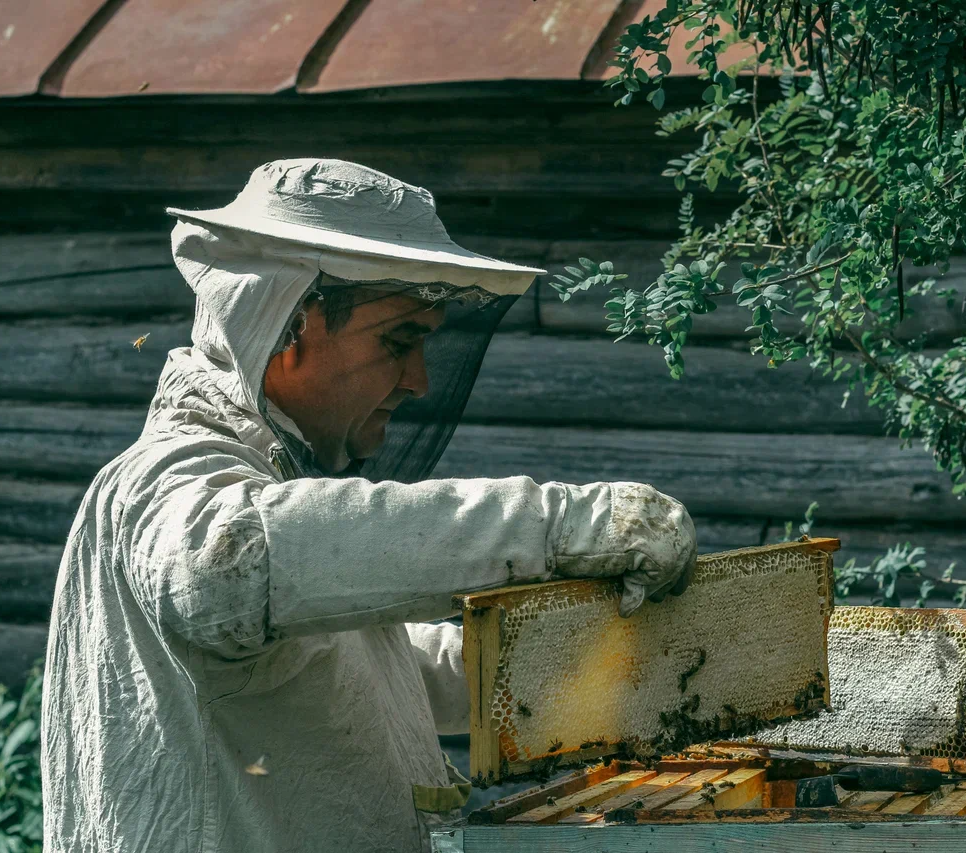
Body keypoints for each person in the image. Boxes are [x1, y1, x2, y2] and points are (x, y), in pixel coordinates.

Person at [41, 159, 698, 853]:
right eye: (398, 341)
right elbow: (224, 567)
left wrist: (564, 660)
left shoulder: (268, 493)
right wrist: (558, 526)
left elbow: (349, 666)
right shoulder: (166, 479)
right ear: (289, 327)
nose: (418, 380)